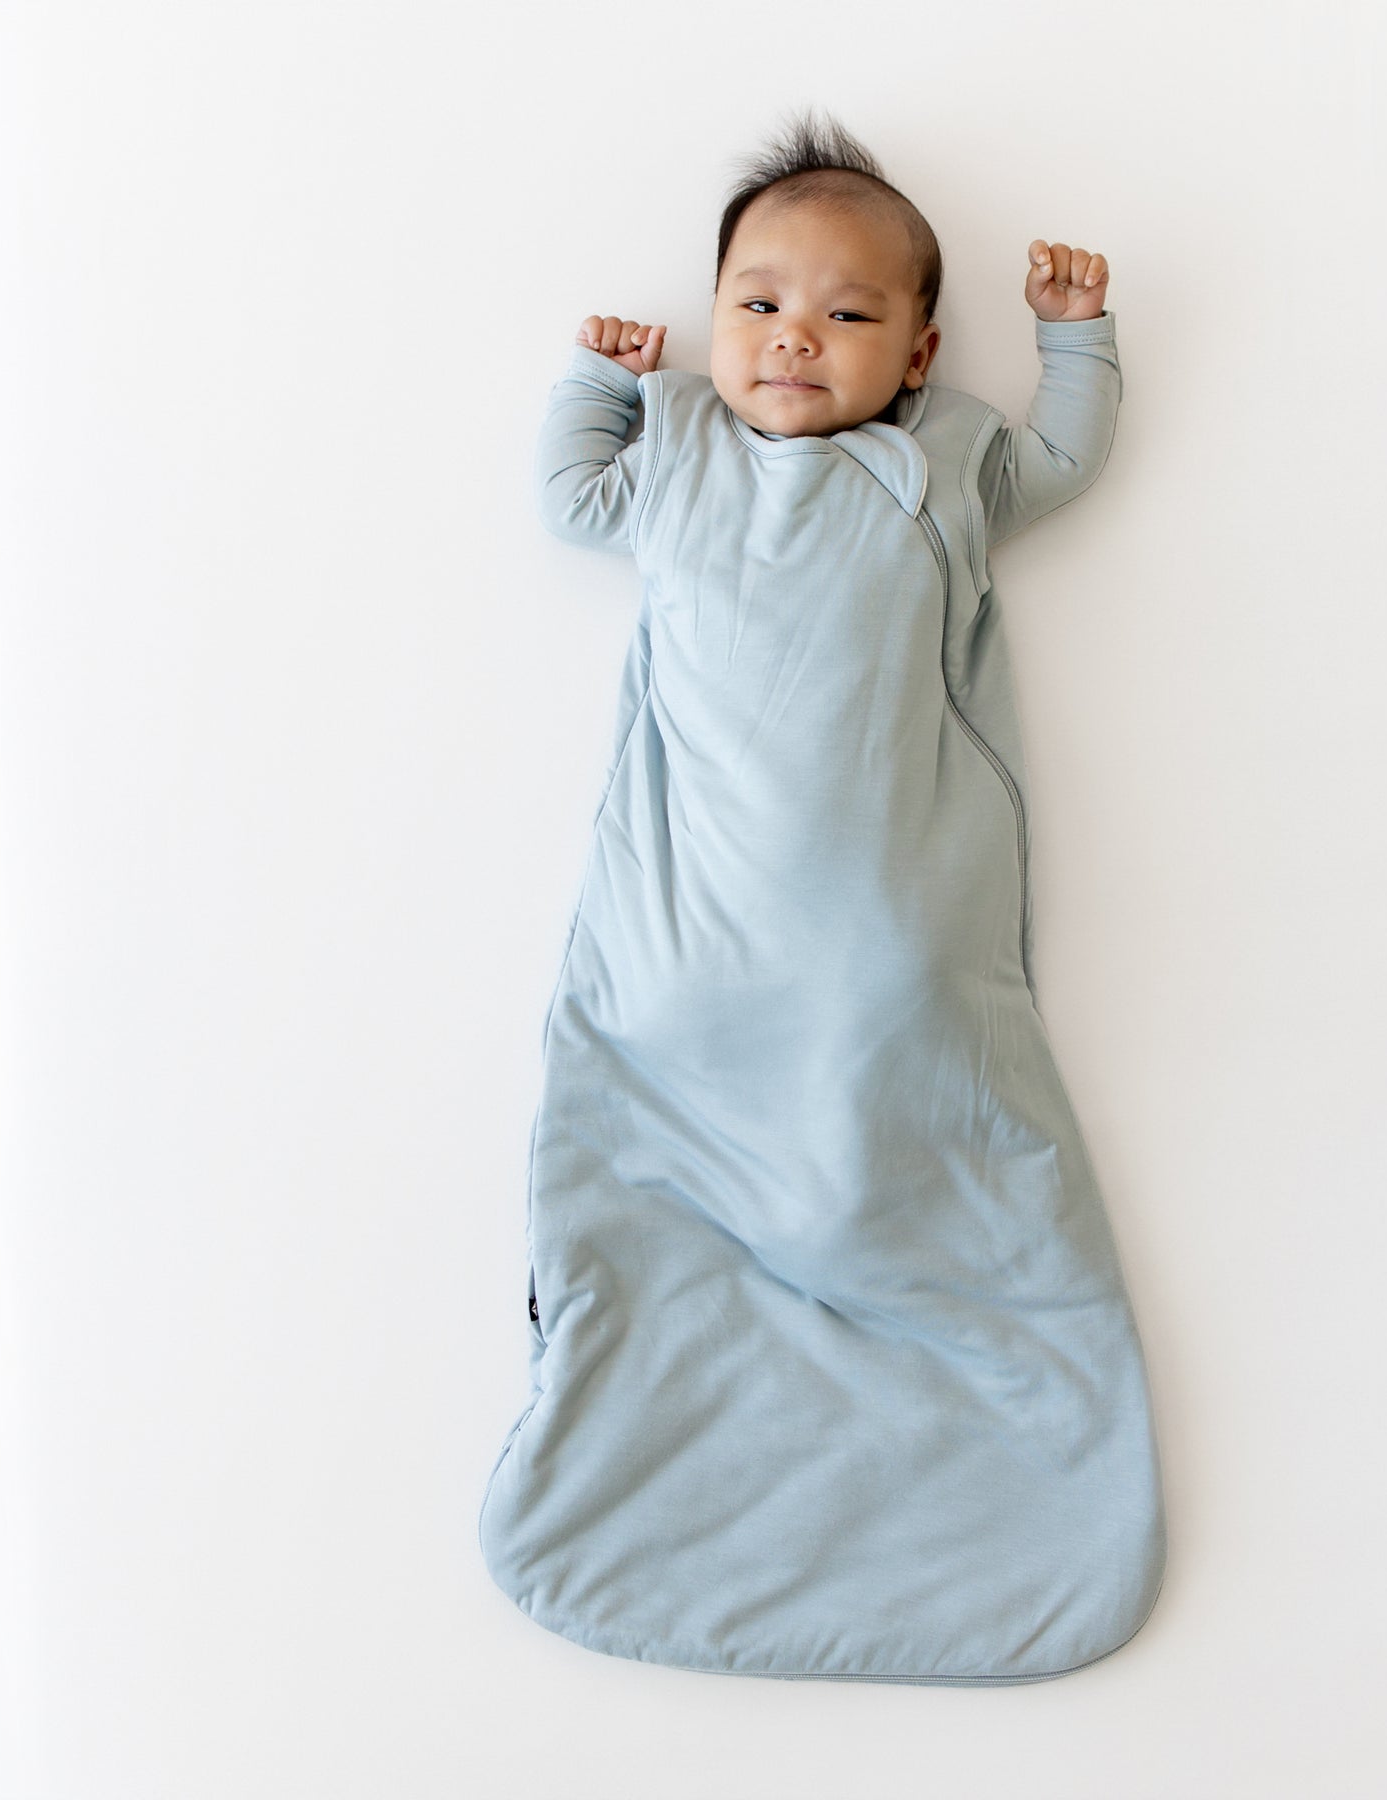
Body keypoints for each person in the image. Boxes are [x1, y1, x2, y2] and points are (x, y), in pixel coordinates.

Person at [479, 108, 1166, 1687]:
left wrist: (1077, 340)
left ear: (917, 356)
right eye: (761, 305)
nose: (797, 337)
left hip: (888, 944)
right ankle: (672, 1427)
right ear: (715, 324)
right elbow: (569, 503)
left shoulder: (943, 466)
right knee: (669, 1134)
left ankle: (975, 1456)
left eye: (849, 315)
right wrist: (596, 386)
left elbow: (1065, 460)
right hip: (691, 944)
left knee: (910, 1106)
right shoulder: (677, 449)